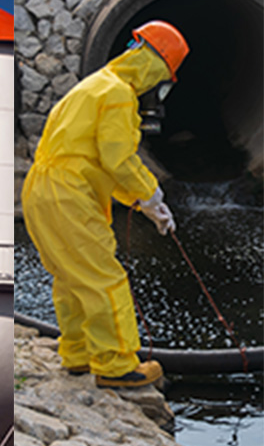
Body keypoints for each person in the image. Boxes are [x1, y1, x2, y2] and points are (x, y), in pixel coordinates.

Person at [21, 20, 189, 388]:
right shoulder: (118, 94)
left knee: (70, 277)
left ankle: (79, 354)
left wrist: (141, 203)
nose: (156, 89)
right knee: (104, 278)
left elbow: (93, 158)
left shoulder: (92, 85)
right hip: (69, 193)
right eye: (162, 79)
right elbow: (117, 158)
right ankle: (115, 365)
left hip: (41, 189)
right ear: (154, 65)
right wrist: (151, 192)